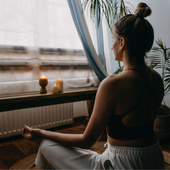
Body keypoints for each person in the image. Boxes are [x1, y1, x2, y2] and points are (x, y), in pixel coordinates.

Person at [22, 2, 165, 169]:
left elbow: (86, 141)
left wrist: (41, 133)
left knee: (47, 145)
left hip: (123, 165)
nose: (111, 46)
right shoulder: (156, 79)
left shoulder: (113, 84)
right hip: (154, 159)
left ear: (122, 42)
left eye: (113, 39)